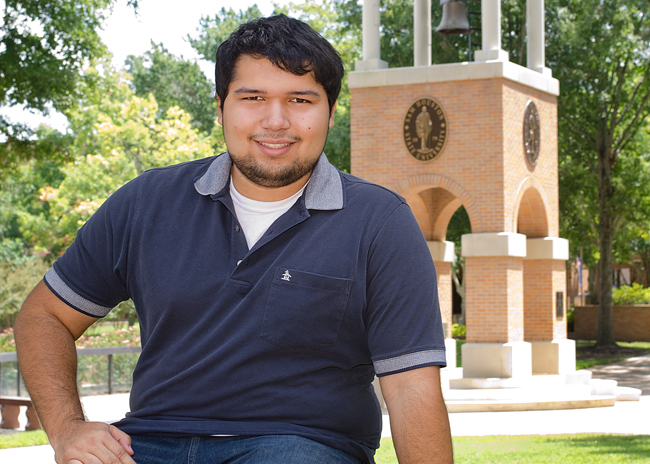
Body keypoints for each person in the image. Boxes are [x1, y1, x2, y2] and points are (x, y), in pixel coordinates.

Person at [15, 14, 453, 464]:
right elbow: (44, 315)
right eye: (253, 97)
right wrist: (68, 429)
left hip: (298, 447)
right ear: (221, 106)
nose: (276, 120)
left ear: (330, 112)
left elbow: (409, 388)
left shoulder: (379, 222)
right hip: (148, 442)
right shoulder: (146, 202)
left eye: (301, 99)